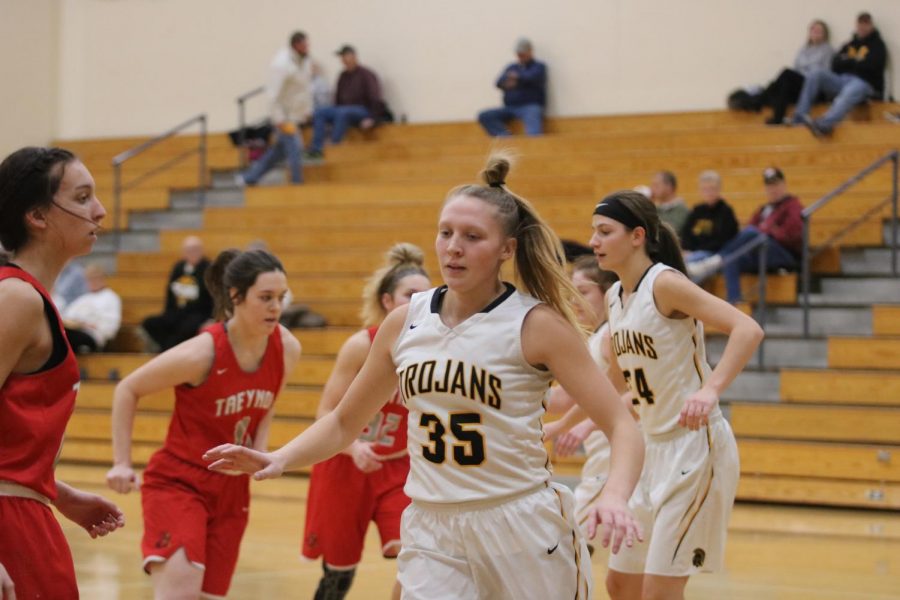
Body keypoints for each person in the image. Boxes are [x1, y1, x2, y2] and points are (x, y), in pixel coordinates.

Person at [205, 153, 646, 600]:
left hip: (519, 524)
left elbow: (621, 424)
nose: (453, 246)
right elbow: (343, 422)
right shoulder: (404, 322)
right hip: (433, 527)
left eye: (473, 237)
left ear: (506, 249)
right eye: (446, 232)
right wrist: (281, 458)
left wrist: (614, 495)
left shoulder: (536, 326)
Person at [588, 190, 763, 600]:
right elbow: (614, 383)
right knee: (620, 583)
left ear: (637, 236)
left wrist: (710, 390)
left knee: (659, 592)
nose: (593, 241)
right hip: (649, 451)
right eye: (593, 232)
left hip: (694, 449)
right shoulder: (615, 297)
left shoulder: (665, 284)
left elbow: (747, 328)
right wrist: (560, 416)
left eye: (603, 231)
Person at [106, 248, 301, 600]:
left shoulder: (287, 347)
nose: (276, 307)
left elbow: (266, 404)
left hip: (231, 491)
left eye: (281, 298)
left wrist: (259, 451)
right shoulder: (202, 353)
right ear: (236, 296)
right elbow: (128, 388)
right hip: (180, 482)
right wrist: (121, 462)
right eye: (266, 297)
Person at [0, 146, 126, 599]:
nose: (100, 210)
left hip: (28, 514)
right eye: (82, 197)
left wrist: (58, 493)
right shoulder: (15, 298)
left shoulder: (31, 297)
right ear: (37, 215)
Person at [303, 243, 430, 600]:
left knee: (419, 557)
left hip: (397, 466)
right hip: (346, 465)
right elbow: (325, 412)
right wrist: (353, 447)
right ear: (388, 301)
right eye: (410, 295)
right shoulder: (361, 345)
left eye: (427, 295)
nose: (419, 302)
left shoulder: (436, 347)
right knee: (338, 575)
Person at [543, 255, 619, 550]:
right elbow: (563, 397)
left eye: (583, 293)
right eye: (570, 293)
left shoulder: (615, 334)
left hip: (619, 456)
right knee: (621, 580)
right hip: (602, 456)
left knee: (567, 544)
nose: (574, 301)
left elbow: (632, 394)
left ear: (608, 292)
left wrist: (583, 425)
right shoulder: (591, 339)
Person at [687, 167, 803, 304]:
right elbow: (751, 229)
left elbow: (792, 234)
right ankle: (734, 303)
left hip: (783, 254)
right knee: (731, 259)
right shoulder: (763, 210)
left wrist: (767, 231)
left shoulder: (793, 206)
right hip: (759, 252)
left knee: (752, 233)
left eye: (776, 185)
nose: (773, 189)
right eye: (769, 185)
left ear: (784, 185)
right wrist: (766, 230)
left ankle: (716, 260)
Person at [792, 12, 888, 137]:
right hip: (842, 79)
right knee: (816, 74)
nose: (862, 27)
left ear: (871, 26)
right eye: (860, 24)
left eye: (866, 24)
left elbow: (872, 67)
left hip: (864, 83)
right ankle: (799, 119)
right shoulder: (849, 44)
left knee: (850, 90)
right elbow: (835, 63)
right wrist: (856, 62)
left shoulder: (878, 46)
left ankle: (824, 124)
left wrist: (848, 61)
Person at [237, 31, 313, 186]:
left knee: (278, 152)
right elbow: (272, 94)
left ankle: (249, 178)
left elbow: (303, 89)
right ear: (296, 45)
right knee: (295, 148)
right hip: (284, 117)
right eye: (304, 45)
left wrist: (307, 110)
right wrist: (279, 119)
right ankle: (297, 183)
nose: (307, 48)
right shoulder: (281, 64)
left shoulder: (304, 61)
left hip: (296, 115)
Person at [306, 45, 384, 159]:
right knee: (320, 112)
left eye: (345, 56)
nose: (343, 60)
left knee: (342, 112)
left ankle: (334, 146)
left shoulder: (366, 74)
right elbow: (337, 100)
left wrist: (373, 118)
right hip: (343, 110)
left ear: (354, 57)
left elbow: (376, 98)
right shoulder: (343, 76)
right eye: (341, 57)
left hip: (363, 110)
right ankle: (317, 149)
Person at [140, 235, 214, 352]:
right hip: (177, 312)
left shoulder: (209, 268)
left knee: (187, 328)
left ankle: (168, 351)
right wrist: (167, 313)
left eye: (195, 249)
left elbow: (213, 297)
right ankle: (169, 350)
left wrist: (211, 318)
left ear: (201, 251)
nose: (192, 253)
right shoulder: (178, 268)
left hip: (198, 314)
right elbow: (170, 293)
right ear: (183, 252)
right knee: (150, 323)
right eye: (189, 250)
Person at [757, 20, 834, 125]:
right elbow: (796, 67)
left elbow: (825, 73)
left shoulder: (828, 50)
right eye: (813, 30)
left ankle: (759, 101)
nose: (815, 32)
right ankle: (777, 117)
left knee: (786, 73)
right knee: (783, 84)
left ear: (825, 34)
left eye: (819, 31)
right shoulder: (804, 49)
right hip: (800, 84)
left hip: (814, 86)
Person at [477, 38, 548, 137]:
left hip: (530, 106)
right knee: (485, 115)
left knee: (533, 114)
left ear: (530, 51)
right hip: (510, 107)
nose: (520, 56)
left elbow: (530, 77)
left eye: (523, 53)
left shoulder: (539, 66)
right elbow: (499, 83)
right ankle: (505, 138)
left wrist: (517, 77)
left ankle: (534, 142)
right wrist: (511, 81)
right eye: (519, 54)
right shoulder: (511, 67)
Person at [681, 170, 739, 264]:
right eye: (705, 189)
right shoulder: (697, 210)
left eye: (712, 189)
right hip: (693, 253)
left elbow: (723, 240)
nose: (709, 193)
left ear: (719, 189)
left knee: (687, 263)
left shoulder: (726, 211)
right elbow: (686, 234)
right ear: (700, 191)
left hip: (714, 255)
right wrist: (687, 249)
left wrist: (697, 251)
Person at [62, 262, 122, 353]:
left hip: (93, 336)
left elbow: (110, 329)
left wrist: (85, 325)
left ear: (103, 278)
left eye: (95, 278)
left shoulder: (111, 298)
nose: (92, 282)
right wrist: (76, 324)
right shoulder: (83, 298)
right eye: (89, 279)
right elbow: (66, 318)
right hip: (75, 330)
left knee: (67, 336)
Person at [650, 171, 689, 237]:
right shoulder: (655, 208)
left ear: (669, 187)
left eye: (656, 185)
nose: (652, 189)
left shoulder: (681, 210)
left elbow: (671, 231)